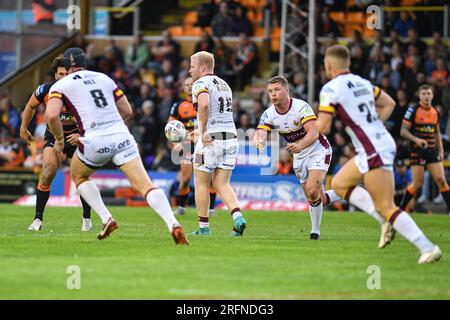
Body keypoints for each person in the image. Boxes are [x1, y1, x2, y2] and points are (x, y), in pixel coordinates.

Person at [45, 47, 188, 245]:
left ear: (67, 68)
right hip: (122, 136)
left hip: (94, 140)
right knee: (146, 186)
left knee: (79, 176)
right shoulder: (104, 78)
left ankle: (106, 218)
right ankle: (173, 223)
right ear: (85, 64)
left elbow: (51, 115)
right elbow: (127, 110)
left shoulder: (61, 84)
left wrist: (60, 142)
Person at [316, 45, 441, 264]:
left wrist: (304, 130)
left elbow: (324, 127)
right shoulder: (363, 83)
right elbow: (389, 103)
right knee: (339, 183)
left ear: (328, 65)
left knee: (386, 206)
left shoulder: (330, 88)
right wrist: (371, 125)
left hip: (374, 149)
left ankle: (428, 248)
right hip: (376, 144)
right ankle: (383, 221)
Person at [252, 75, 340, 240]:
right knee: (316, 197)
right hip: (299, 155)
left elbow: (314, 132)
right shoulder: (269, 113)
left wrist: (300, 146)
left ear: (286, 90)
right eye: (270, 91)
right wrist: (259, 140)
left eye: (277, 90)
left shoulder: (301, 107)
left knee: (313, 191)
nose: (273, 94)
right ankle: (348, 191)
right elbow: (260, 131)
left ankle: (315, 232)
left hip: (317, 150)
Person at [20, 55, 92, 232]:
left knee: (80, 178)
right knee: (47, 171)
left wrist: (81, 134)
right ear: (55, 74)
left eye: (67, 73)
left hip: (76, 138)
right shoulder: (45, 90)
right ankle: (37, 219)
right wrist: (23, 127)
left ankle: (86, 218)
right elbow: (30, 106)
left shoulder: (82, 91)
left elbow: (95, 117)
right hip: (54, 137)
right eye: (61, 73)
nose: (64, 77)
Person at [187, 51, 247, 236]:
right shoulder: (224, 84)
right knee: (222, 183)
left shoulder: (200, 83)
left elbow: (204, 105)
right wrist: (201, 130)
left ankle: (204, 228)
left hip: (210, 141)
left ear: (203, 67)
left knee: (201, 183)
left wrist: (203, 131)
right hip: (230, 137)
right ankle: (237, 216)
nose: (190, 70)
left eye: (192, 66)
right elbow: (219, 115)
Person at [167, 77, 217, 216]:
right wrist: (176, 144)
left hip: (203, 144)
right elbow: (170, 127)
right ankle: (181, 207)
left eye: (192, 84)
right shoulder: (178, 105)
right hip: (188, 146)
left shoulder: (205, 103)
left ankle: (211, 208)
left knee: (209, 177)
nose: (189, 87)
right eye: (187, 85)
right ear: (183, 88)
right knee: (186, 178)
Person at [399, 84, 450, 214]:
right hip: (417, 150)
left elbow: (437, 132)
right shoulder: (413, 110)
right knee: (417, 184)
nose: (426, 96)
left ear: (432, 95)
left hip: (432, 150)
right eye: (424, 94)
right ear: (419, 95)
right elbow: (403, 131)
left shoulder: (435, 112)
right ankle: (400, 210)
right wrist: (417, 140)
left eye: (428, 94)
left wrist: (441, 150)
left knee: (441, 180)